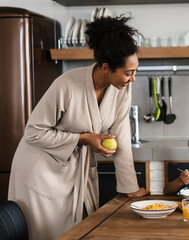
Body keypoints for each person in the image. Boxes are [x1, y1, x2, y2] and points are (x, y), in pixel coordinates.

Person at [8, 15, 149, 240]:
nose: (133, 78)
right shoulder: (67, 85)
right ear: (106, 68)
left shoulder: (121, 88)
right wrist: (82, 138)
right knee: (53, 234)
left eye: (135, 70)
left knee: (83, 230)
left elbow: (121, 134)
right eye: (128, 72)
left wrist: (129, 187)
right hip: (42, 170)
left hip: (76, 169)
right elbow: (33, 132)